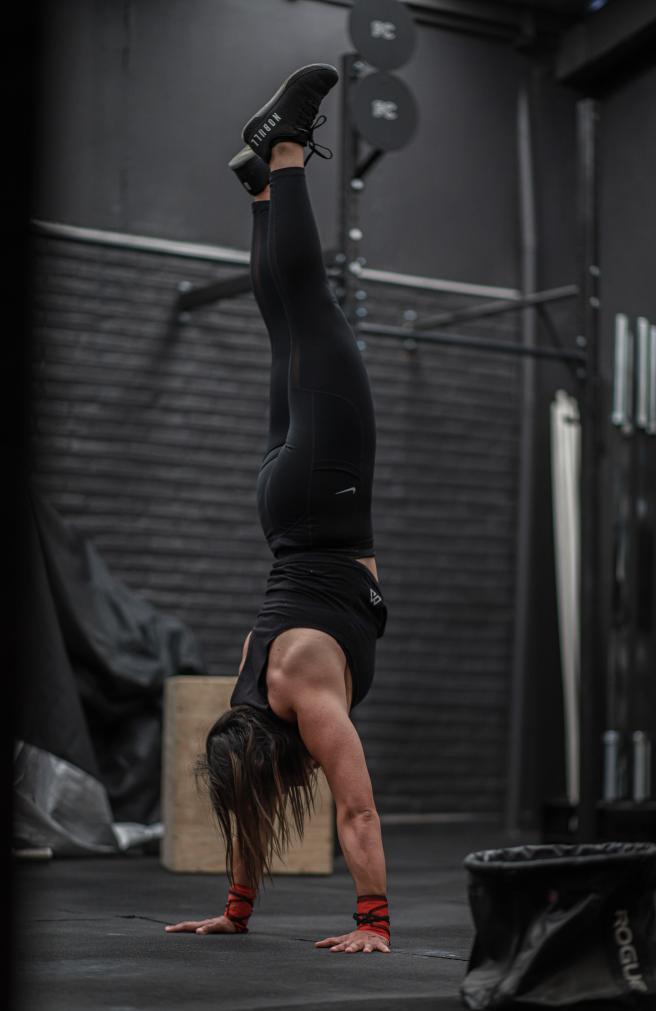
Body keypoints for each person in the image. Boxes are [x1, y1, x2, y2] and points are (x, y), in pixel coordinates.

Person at [166, 65, 390, 955]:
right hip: (284, 504)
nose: (269, 792)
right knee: (288, 329)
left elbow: (358, 809)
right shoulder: (251, 695)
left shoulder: (304, 693)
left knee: (314, 310)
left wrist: (373, 922)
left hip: (324, 495)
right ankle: (263, 192)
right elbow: (250, 802)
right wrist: (236, 908)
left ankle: (286, 142)